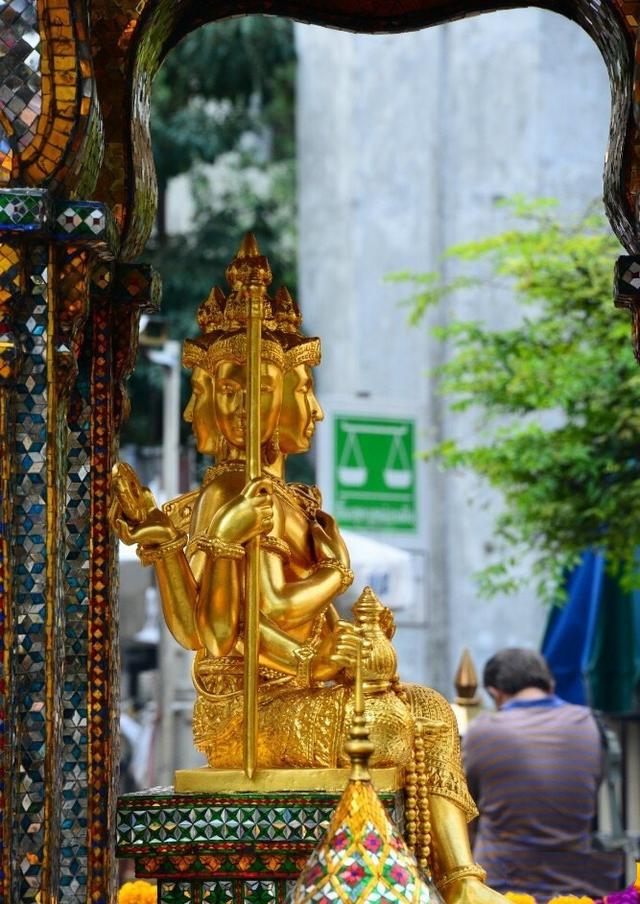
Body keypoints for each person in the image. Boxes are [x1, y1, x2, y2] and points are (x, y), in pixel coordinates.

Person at [110, 236, 508, 902]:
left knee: (434, 711)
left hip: (291, 686)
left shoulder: (282, 496)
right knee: (392, 729)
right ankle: (458, 880)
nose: (317, 410)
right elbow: (233, 630)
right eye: (303, 391)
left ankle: (460, 877)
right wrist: (334, 586)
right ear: (253, 400)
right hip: (252, 706)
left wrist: (345, 639)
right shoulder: (243, 498)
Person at [463, 647, 623, 897]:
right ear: (550, 684)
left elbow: (465, 812)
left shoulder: (483, 731)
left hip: (500, 891)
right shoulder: (590, 725)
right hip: (577, 893)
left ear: (496, 693)